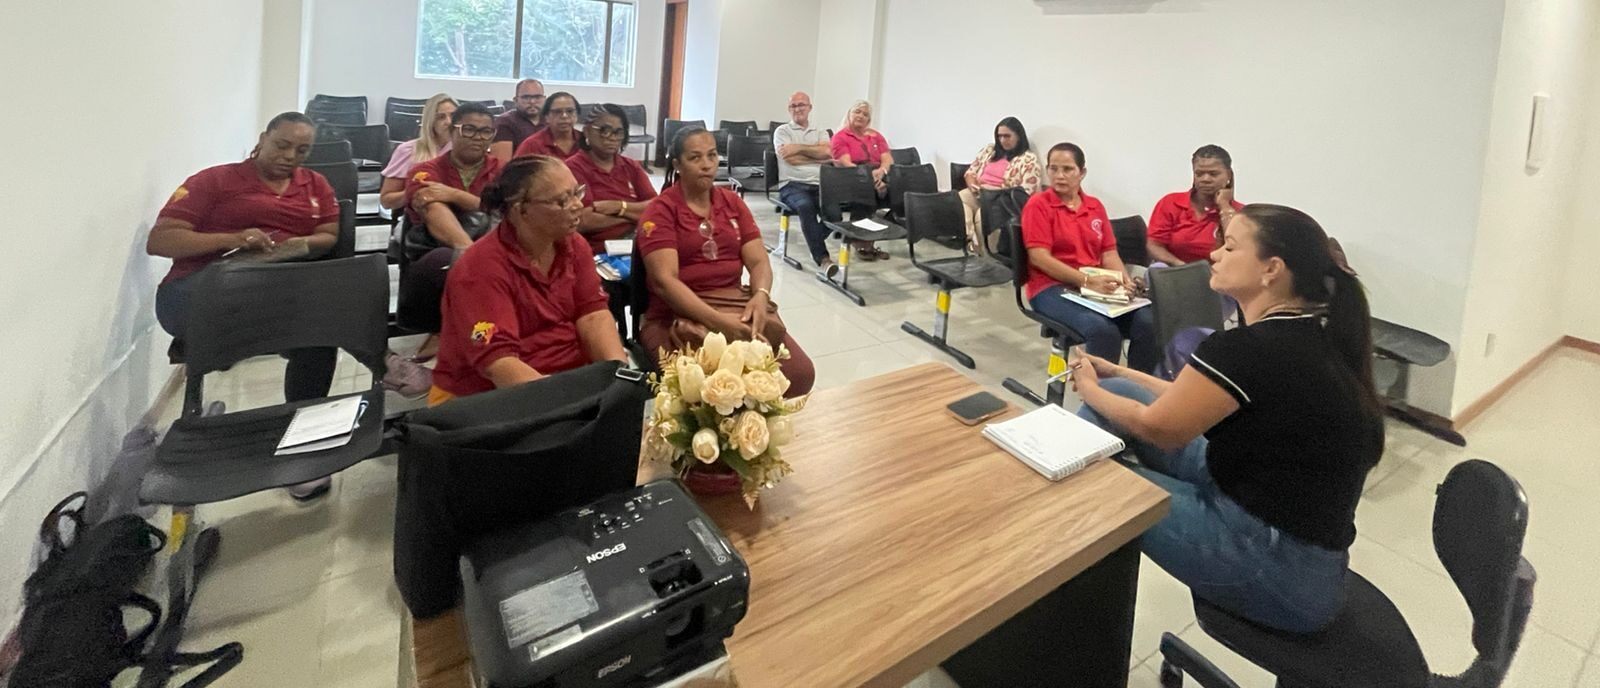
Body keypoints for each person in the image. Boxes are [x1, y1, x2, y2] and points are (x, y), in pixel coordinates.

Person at [1071, 203, 1382, 634]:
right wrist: (1119, 374)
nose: (1214, 254)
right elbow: (1190, 403)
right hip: (1273, 518)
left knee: (1089, 479)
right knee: (1119, 393)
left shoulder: (1251, 349)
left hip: (1274, 566)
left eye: (1230, 246)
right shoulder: (1311, 332)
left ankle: (1073, 614)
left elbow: (1159, 428)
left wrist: (1086, 388)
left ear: (1271, 269)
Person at [145, 112, 340, 501]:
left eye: (302, 150)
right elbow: (161, 240)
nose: (290, 156)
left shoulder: (314, 184)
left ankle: (300, 448)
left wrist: (295, 247)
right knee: (315, 315)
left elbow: (329, 234)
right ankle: (381, 362)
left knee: (321, 336)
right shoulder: (214, 180)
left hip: (275, 288)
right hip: (201, 288)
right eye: (282, 145)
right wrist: (233, 238)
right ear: (263, 137)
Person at [428, 156, 627, 406]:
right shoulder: (481, 267)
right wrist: (569, 406)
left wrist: (621, 378)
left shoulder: (574, 245)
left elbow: (593, 315)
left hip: (567, 380)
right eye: (562, 200)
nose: (578, 205)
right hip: (485, 396)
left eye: (577, 193)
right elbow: (499, 364)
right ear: (520, 209)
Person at [639, 127, 815, 397]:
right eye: (695, 158)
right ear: (677, 164)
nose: (707, 165)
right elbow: (665, 283)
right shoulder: (660, 210)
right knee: (707, 393)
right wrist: (720, 323)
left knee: (799, 374)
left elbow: (758, 262)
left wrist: (760, 295)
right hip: (675, 314)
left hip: (734, 304)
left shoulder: (732, 202)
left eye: (712, 156)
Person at [1021, 143, 1157, 372]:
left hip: (1094, 285)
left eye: (1068, 169)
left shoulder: (1094, 207)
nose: (1059, 176)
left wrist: (1125, 283)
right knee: (1102, 330)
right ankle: (1099, 398)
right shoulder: (1038, 205)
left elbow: (1108, 253)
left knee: (1149, 322)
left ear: (1082, 172)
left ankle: (1140, 387)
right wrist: (1085, 281)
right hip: (1051, 288)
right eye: (1053, 169)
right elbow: (1039, 258)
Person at [405, 102, 505, 251]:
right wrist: (470, 253)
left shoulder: (503, 170)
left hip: (494, 246)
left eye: (486, 131)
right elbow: (432, 206)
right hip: (436, 249)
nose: (478, 137)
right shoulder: (425, 171)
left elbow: (507, 212)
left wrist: (454, 195)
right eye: (469, 130)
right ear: (452, 131)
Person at [567, 104, 657, 254]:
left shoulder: (631, 166)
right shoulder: (573, 168)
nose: (612, 138)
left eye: (618, 132)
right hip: (598, 250)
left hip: (639, 242)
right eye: (604, 131)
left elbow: (656, 207)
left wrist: (618, 207)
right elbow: (583, 220)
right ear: (587, 131)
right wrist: (633, 216)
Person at [773, 91, 840, 276]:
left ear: (809, 108)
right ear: (789, 109)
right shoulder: (782, 131)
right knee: (805, 206)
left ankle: (812, 236)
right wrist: (816, 156)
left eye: (802, 105)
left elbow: (828, 154)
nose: (798, 109)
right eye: (794, 106)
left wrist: (799, 148)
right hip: (791, 184)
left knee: (835, 214)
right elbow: (789, 159)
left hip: (819, 184)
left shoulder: (820, 131)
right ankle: (823, 259)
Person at [1147, 145, 1242, 266]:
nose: (1205, 179)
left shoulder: (1240, 213)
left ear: (1229, 175)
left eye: (1213, 174)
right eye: (1199, 174)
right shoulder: (1171, 203)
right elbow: (1154, 245)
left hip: (1218, 275)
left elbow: (1237, 249)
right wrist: (1183, 267)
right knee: (1158, 267)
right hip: (1176, 270)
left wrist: (1224, 206)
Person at [960, 117, 1041, 252]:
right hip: (980, 191)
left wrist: (994, 194)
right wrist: (973, 186)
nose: (1003, 140)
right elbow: (970, 173)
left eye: (1007, 136)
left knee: (983, 215)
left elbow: (1025, 192)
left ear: (1018, 136)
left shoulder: (1028, 159)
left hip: (1002, 199)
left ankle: (987, 253)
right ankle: (971, 237)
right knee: (959, 199)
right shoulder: (989, 150)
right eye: (1000, 136)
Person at [830, 100, 894, 261]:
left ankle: (871, 236)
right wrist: (868, 177)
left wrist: (881, 171)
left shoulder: (876, 136)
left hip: (877, 173)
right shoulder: (840, 136)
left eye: (865, 114)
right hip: (851, 176)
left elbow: (887, 159)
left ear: (869, 120)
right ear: (849, 114)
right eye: (857, 111)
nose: (861, 116)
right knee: (868, 192)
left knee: (904, 192)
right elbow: (846, 163)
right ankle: (863, 243)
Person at [380, 94, 456, 211]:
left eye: (453, 116)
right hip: (419, 215)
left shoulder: (466, 150)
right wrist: (413, 191)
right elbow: (386, 201)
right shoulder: (408, 150)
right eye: (441, 117)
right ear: (430, 121)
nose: (448, 122)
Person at [489, 79, 545, 163]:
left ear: (544, 99)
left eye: (537, 97)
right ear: (515, 100)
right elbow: (501, 165)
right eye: (526, 97)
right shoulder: (505, 122)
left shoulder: (551, 121)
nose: (532, 102)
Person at [513, 92, 581, 160]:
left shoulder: (586, 142)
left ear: (577, 115)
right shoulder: (532, 145)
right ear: (546, 117)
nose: (564, 116)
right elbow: (514, 169)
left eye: (570, 111)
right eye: (557, 112)